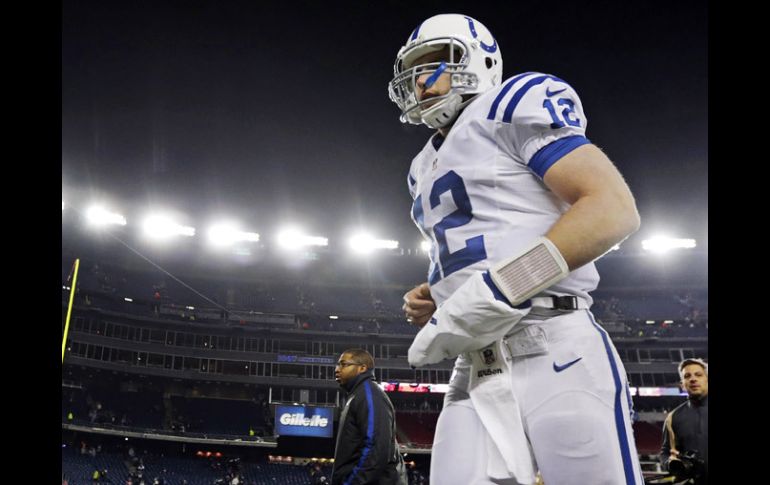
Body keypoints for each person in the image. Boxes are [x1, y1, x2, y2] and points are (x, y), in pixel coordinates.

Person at [390, 13, 643, 485]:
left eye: (434, 63)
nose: (421, 79)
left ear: (480, 60)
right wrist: (445, 294)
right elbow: (488, 241)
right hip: (476, 366)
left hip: (555, 345)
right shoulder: (422, 164)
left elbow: (613, 209)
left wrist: (502, 288)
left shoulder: (510, 101)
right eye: (413, 70)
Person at [331, 349, 407, 485]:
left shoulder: (369, 394)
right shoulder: (359, 394)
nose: (337, 369)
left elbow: (376, 449)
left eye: (343, 364)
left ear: (362, 368)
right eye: (337, 365)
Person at [660, 358, 708, 484]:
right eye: (687, 376)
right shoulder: (673, 417)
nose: (693, 379)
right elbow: (665, 453)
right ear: (682, 384)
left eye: (698, 375)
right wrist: (670, 463)